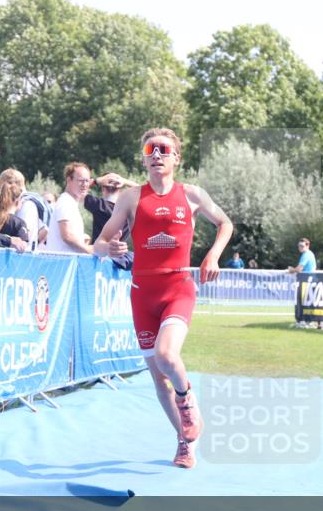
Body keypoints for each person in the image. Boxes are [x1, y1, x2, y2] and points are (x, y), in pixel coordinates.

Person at [93, 127, 233, 469]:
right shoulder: (130, 198)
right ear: (143, 158)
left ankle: (188, 403)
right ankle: (185, 442)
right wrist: (109, 248)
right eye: (150, 149)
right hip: (142, 293)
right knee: (158, 378)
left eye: (163, 150)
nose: (156, 154)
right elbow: (97, 244)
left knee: (167, 353)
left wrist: (213, 255)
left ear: (176, 158)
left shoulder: (191, 194)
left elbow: (225, 223)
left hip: (178, 287)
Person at [44, 162, 94, 254]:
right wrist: (88, 250)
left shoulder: (69, 202)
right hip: (61, 264)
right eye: (80, 180)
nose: (84, 184)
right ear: (69, 180)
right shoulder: (65, 202)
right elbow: (67, 236)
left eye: (87, 181)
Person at [0, 168, 47, 249]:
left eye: (1, 188)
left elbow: (25, 233)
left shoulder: (26, 205)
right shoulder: (28, 203)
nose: (1, 192)